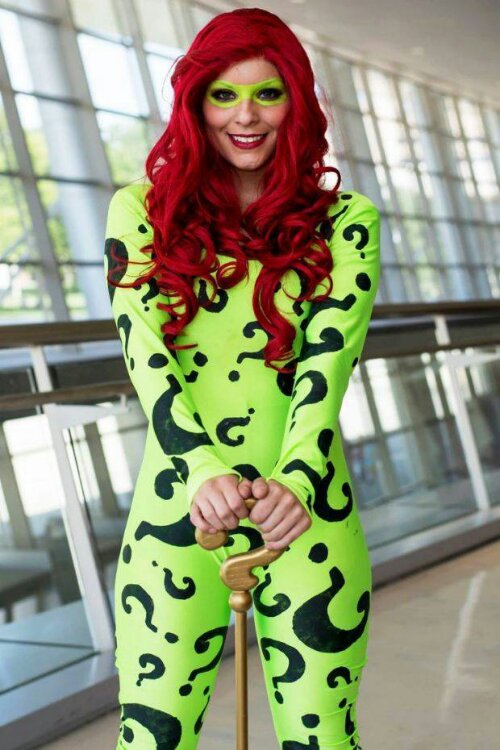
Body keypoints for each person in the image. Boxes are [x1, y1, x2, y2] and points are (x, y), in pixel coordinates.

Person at [104, 7, 380, 749]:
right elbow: (147, 360)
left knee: (322, 740)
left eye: (268, 93)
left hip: (309, 513)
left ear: (298, 103)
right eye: (224, 95)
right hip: (175, 515)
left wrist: (296, 481)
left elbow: (329, 366)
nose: (246, 116)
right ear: (196, 104)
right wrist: (201, 472)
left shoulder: (348, 221)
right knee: (150, 741)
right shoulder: (139, 212)